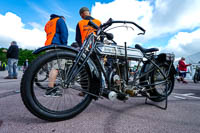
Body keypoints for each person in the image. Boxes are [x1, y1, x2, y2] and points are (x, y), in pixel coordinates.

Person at [75, 7, 101, 96]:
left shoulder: (80, 23)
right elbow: (101, 36)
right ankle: (96, 90)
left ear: (82, 14)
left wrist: (82, 46)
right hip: (96, 49)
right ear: (88, 12)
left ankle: (85, 90)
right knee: (97, 69)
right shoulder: (98, 22)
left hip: (84, 50)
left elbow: (77, 38)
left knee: (83, 70)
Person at [44, 14, 68, 97]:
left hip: (48, 46)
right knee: (56, 68)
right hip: (57, 46)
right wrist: (64, 46)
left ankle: (51, 86)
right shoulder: (60, 20)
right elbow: (64, 33)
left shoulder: (48, 23)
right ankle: (50, 90)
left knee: (51, 68)